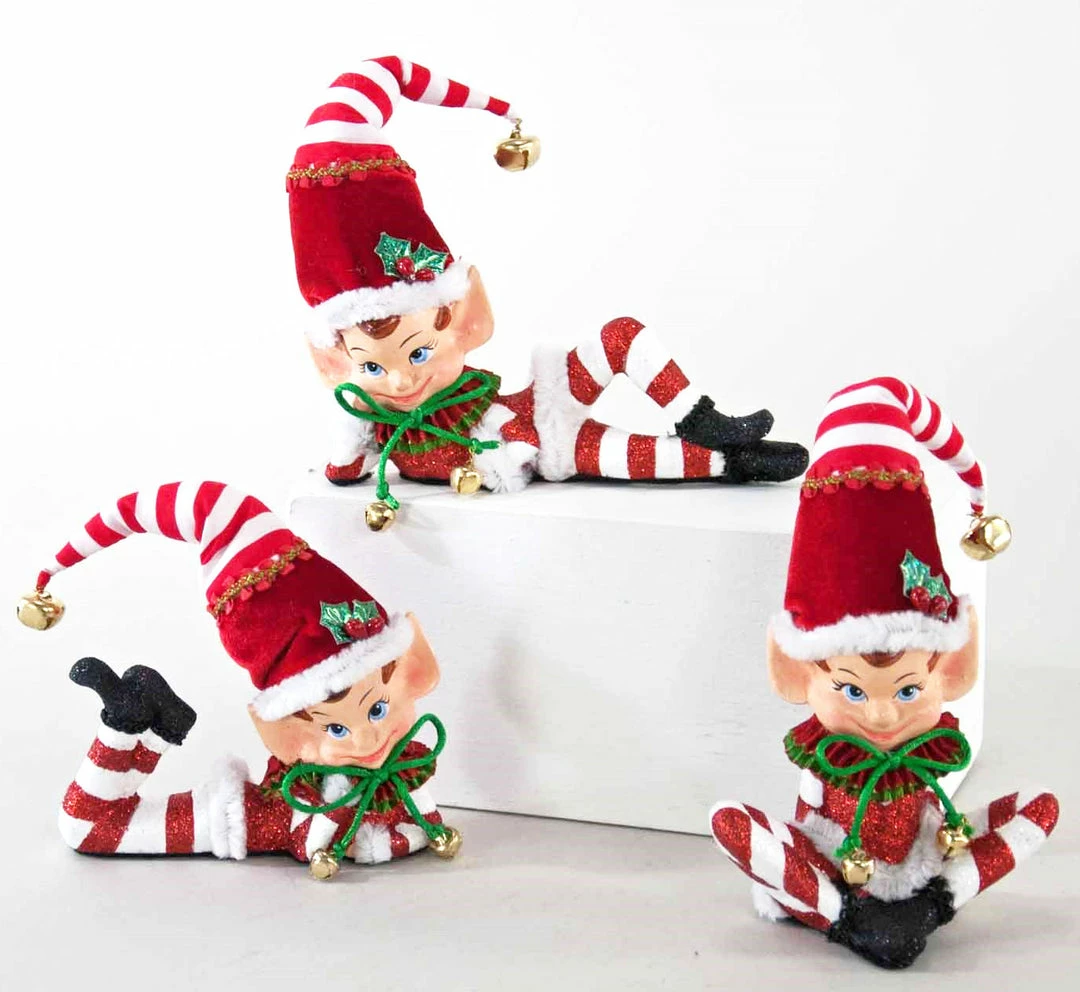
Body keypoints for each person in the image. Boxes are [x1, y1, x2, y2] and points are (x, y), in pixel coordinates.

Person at [288, 57, 807, 519]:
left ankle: (700, 417)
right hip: (559, 451)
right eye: (372, 367)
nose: (401, 381)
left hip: (544, 412)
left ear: (466, 322)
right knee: (652, 460)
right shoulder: (378, 422)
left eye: (419, 352)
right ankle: (738, 462)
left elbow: (508, 432)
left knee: (622, 336)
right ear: (335, 363)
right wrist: (350, 423)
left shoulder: (469, 404)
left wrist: (507, 452)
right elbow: (343, 473)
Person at [707, 376, 1058, 969]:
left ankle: (931, 903)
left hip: (923, 857)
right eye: (849, 689)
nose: (881, 712)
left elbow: (939, 814)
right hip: (832, 861)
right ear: (795, 672)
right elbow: (805, 817)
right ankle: (845, 915)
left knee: (1037, 810)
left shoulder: (930, 748)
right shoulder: (828, 756)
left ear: (953, 668)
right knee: (732, 823)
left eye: (909, 688)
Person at [18, 481, 459, 878]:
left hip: (256, 813)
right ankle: (126, 725)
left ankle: (142, 724)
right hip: (253, 818)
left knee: (97, 826)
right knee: (86, 828)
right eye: (337, 729)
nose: (367, 739)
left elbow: (410, 824)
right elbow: (317, 840)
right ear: (287, 734)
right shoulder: (307, 797)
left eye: (378, 709)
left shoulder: (403, 769)